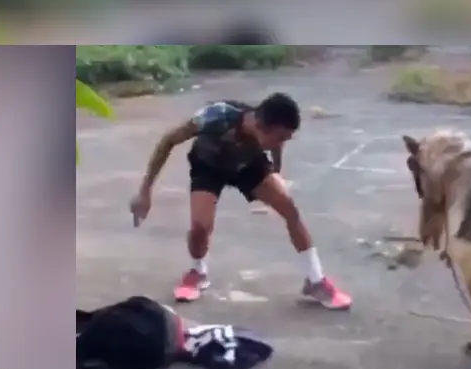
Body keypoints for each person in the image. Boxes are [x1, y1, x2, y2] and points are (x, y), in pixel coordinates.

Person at [129, 93, 352, 310]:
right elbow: (168, 140)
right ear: (261, 126)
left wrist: (276, 171)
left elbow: (276, 145)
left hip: (248, 165)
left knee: (289, 209)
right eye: (280, 137)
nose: (281, 143)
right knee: (200, 228)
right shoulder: (215, 116)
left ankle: (315, 281)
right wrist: (145, 191)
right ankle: (198, 272)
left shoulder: (268, 130)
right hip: (209, 166)